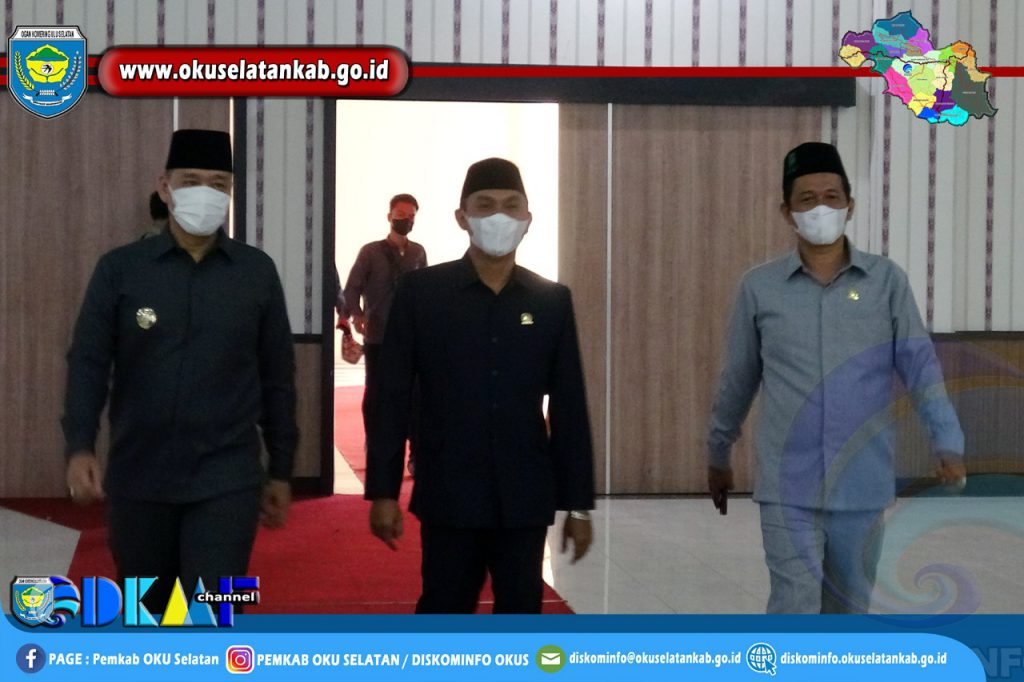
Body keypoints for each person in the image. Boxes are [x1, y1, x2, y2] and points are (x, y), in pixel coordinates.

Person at [706, 142, 966, 614]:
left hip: (862, 481)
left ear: (850, 205)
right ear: (786, 212)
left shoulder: (886, 282)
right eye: (806, 199)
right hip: (787, 485)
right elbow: (738, 378)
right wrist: (718, 450)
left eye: (831, 196)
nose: (820, 208)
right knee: (795, 606)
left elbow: (920, 366)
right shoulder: (759, 288)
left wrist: (946, 439)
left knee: (848, 612)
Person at [62, 129, 297, 615]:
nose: (205, 193)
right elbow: (88, 361)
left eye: (218, 183)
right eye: (191, 180)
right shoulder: (120, 270)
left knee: (215, 611)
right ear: (165, 187)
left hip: (228, 478)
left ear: (230, 193)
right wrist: (80, 444)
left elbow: (278, 376)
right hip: (139, 477)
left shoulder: (256, 272)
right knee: (147, 613)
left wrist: (281, 468)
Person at [365, 158, 596, 614]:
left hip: (524, 496)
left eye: (512, 206)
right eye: (485, 206)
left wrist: (578, 505)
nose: (499, 217)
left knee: (520, 613)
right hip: (448, 491)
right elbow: (390, 396)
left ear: (527, 219)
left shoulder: (550, 300)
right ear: (462, 217)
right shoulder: (422, 294)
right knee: (444, 611)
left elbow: (569, 405)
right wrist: (384, 490)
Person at [342, 194, 426, 461]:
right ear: (389, 217)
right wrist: (357, 315)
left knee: (414, 394)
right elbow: (352, 288)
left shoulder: (418, 252)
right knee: (376, 393)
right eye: (401, 215)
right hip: (378, 334)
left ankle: (415, 451)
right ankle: (375, 441)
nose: (406, 220)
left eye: (411, 216)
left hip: (410, 335)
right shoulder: (370, 252)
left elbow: (424, 292)